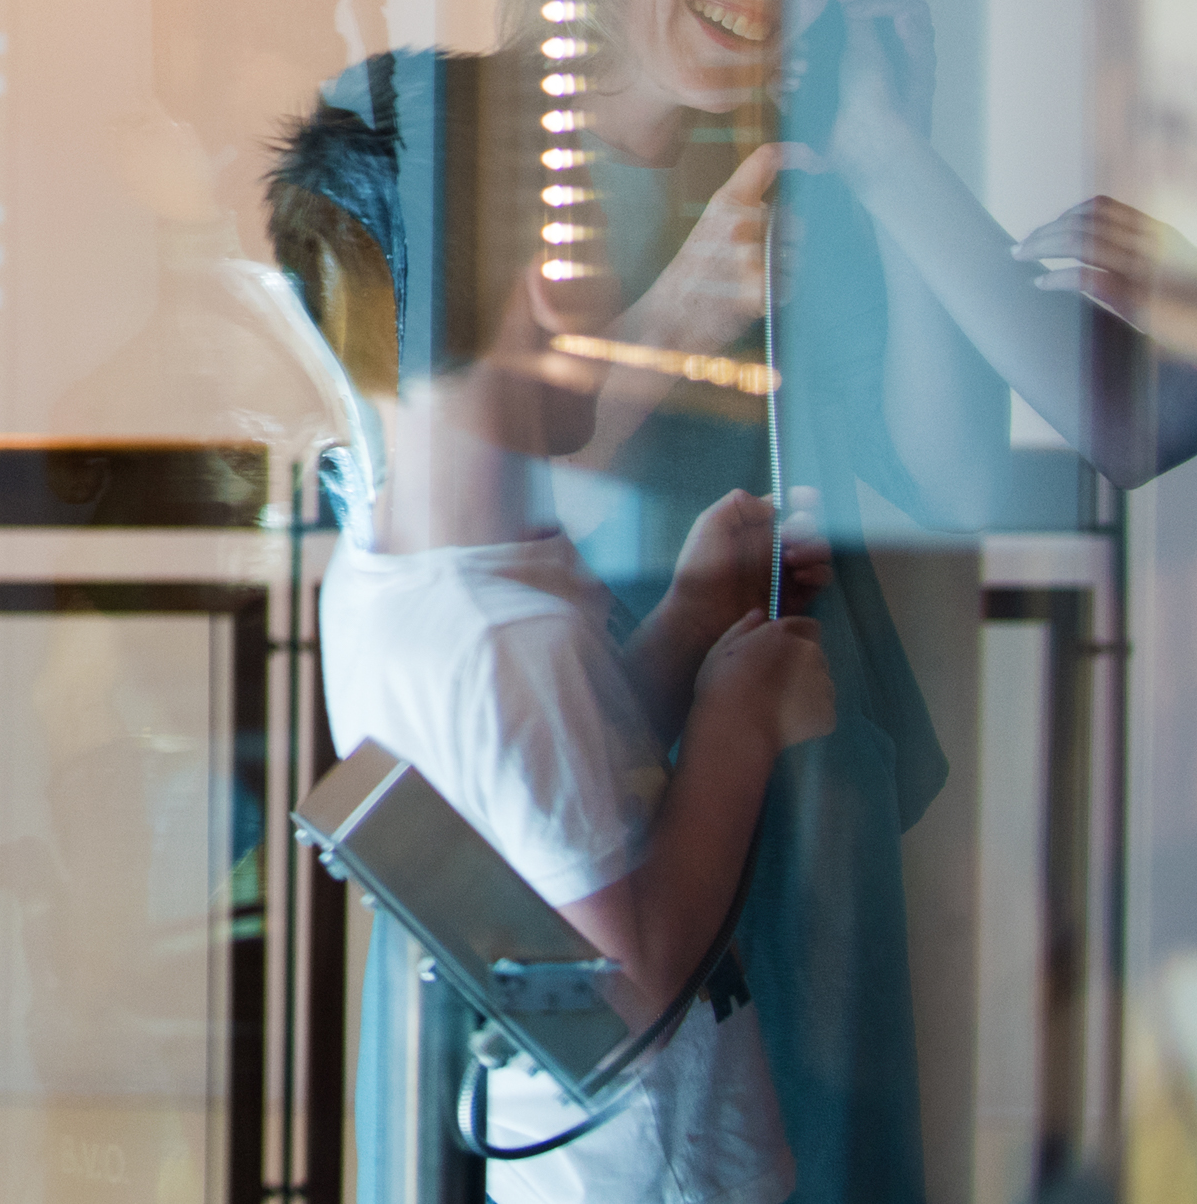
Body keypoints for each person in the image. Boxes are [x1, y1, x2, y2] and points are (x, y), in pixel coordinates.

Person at [277, 0, 1006, 1200]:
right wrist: (676, 314)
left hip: (786, 804)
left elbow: (948, 476)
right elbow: (442, 486)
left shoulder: (804, 176)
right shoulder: (464, 171)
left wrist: (892, 146)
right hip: (551, 847)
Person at [273, 101, 827, 1203]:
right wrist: (739, 717)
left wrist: (685, 619)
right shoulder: (502, 638)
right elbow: (629, 984)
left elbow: (552, 791)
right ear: (549, 283)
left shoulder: (402, 564)